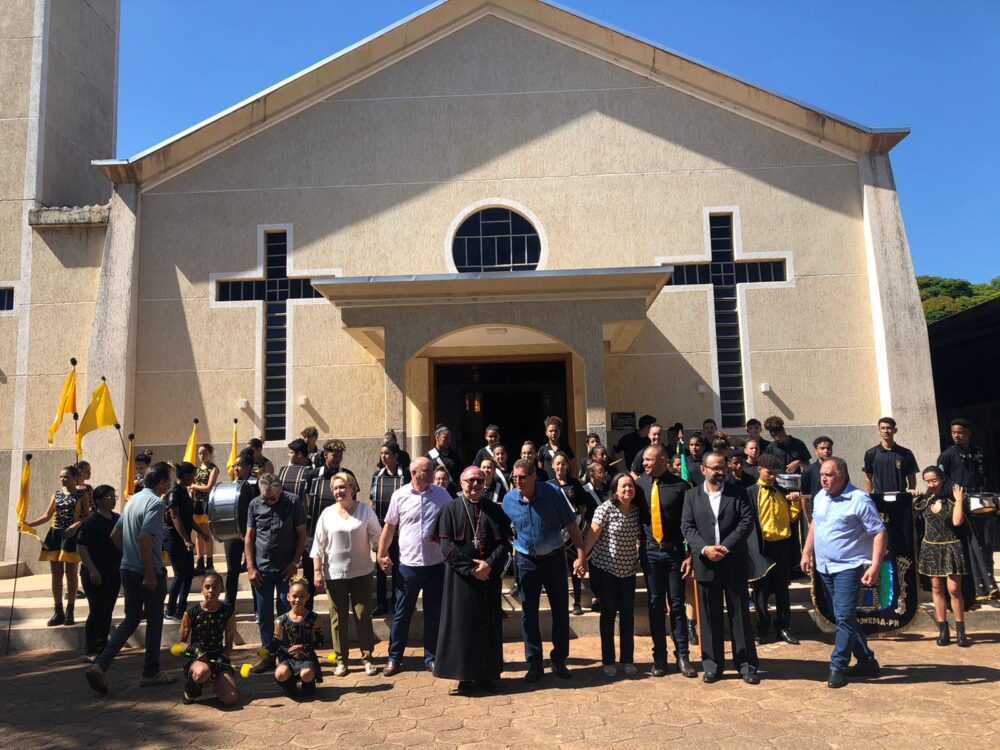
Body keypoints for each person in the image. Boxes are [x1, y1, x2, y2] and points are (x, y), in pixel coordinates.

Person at [86, 462, 177, 694]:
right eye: (169, 479)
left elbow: (116, 534)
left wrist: (128, 555)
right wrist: (148, 571)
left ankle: (100, 665)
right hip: (148, 571)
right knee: (155, 620)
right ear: (161, 482)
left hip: (127, 568)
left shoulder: (133, 500)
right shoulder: (156, 503)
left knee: (131, 619)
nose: (171, 483)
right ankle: (151, 672)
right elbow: (146, 538)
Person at [800, 457, 887, 688]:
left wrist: (875, 566)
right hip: (824, 567)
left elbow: (879, 532)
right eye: (822, 475)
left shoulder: (859, 500)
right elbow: (815, 525)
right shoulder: (820, 497)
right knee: (843, 616)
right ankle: (867, 661)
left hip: (849, 567)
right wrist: (806, 552)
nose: (823, 479)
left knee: (844, 616)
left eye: (828, 475)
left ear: (842, 475)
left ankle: (837, 666)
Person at [503, 458, 587, 683]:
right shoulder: (508, 500)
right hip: (526, 562)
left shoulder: (553, 493)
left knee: (560, 610)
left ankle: (559, 660)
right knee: (528, 613)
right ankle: (534, 663)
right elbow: (504, 529)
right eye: (515, 478)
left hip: (554, 560)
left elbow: (571, 524)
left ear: (533, 477)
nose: (517, 482)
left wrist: (581, 555)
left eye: (522, 478)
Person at [680, 452, 760, 685]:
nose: (720, 472)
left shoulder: (739, 493)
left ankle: (746, 665)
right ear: (703, 470)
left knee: (740, 616)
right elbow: (687, 526)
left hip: (733, 561)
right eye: (715, 468)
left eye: (722, 467)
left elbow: (746, 522)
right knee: (708, 616)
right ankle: (713, 665)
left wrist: (724, 548)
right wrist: (705, 549)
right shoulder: (691, 496)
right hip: (705, 563)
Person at [432, 465, 512, 694]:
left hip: (489, 578)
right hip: (461, 581)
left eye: (479, 480)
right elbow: (446, 547)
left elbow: (504, 543)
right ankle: (464, 677)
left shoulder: (495, 510)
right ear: (461, 483)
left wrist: (489, 565)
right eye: (470, 481)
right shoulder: (449, 509)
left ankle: (487, 675)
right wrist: (471, 569)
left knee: (488, 625)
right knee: (463, 627)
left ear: (485, 483)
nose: (475, 485)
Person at [377, 457, 452, 676]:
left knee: (433, 613)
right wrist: (381, 554)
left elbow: (453, 521)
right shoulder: (399, 496)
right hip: (408, 566)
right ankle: (394, 658)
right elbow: (389, 528)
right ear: (414, 473)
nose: (431, 474)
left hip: (435, 564)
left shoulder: (441, 494)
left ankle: (432, 657)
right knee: (402, 613)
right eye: (427, 470)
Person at [311, 472, 381, 676]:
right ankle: (341, 660)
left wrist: (382, 555)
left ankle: (367, 658)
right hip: (335, 574)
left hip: (362, 572)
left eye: (342, 487)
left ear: (352, 488)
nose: (339, 491)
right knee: (338, 618)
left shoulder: (365, 511)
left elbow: (377, 537)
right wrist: (317, 571)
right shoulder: (327, 514)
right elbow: (318, 545)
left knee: (362, 615)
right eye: (335, 488)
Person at [636, 444, 696, 678]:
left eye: (649, 460)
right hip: (650, 553)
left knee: (677, 604)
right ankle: (659, 657)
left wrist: (690, 553)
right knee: (654, 604)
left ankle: (682, 656)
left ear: (663, 461)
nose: (645, 464)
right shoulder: (639, 485)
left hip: (674, 554)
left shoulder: (681, 487)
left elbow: (689, 523)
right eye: (644, 461)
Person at [914, 467, 986, 647]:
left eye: (934, 480)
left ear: (942, 479)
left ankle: (960, 629)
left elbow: (956, 521)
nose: (931, 484)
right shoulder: (925, 500)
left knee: (954, 589)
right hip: (930, 548)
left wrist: (960, 500)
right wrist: (912, 495)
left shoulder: (952, 498)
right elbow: (914, 513)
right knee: (936, 588)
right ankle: (943, 629)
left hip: (951, 548)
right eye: (927, 481)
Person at [582, 472, 642, 678]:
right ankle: (608, 660)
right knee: (608, 614)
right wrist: (582, 558)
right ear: (615, 490)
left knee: (627, 615)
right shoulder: (604, 509)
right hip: (605, 569)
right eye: (623, 486)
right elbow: (592, 535)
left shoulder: (636, 511)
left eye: (631, 486)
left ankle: (627, 660)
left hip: (628, 571)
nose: (627, 489)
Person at [246, 473, 307, 673]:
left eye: (273, 497)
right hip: (262, 570)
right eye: (266, 499)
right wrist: (250, 567)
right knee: (263, 615)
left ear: (280, 489)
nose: (269, 502)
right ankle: (266, 655)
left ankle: (284, 656)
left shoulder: (293, 502)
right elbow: (249, 537)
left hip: (285, 570)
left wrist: (295, 562)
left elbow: (301, 534)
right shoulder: (254, 504)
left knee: (284, 614)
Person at [747, 454, 802, 645]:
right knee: (760, 591)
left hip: (780, 546)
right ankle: (761, 630)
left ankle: (783, 628)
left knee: (782, 589)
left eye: (775, 474)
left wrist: (795, 503)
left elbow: (791, 518)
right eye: (769, 473)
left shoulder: (780, 491)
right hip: (761, 547)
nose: (772, 477)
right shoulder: (750, 493)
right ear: (759, 470)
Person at [937, 418, 995, 593]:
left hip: (981, 503)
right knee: (971, 545)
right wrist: (955, 497)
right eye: (953, 432)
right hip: (960, 505)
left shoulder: (979, 453)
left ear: (969, 433)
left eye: (960, 432)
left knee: (986, 542)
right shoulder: (947, 455)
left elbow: (988, 475)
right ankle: (979, 588)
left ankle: (988, 584)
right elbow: (942, 479)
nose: (956, 435)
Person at [29, 465, 90, 626]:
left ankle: (70, 611)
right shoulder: (56, 494)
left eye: (66, 477)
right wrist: (28, 524)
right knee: (56, 574)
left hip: (71, 535)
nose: (63, 479)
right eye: (61, 477)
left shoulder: (81, 495)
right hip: (55, 535)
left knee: (71, 573)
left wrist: (75, 526)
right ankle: (58, 611)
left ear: (74, 478)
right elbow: (47, 515)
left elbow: (87, 517)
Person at [177, 571, 238, 706]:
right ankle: (192, 688)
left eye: (215, 587)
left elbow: (228, 646)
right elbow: (180, 643)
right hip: (197, 658)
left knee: (231, 699)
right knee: (202, 672)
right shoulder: (191, 613)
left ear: (221, 588)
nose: (211, 590)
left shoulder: (227, 612)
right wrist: (195, 651)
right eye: (208, 587)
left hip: (217, 657)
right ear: (202, 589)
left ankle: (215, 682)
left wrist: (222, 658)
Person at [76, 485, 122, 662]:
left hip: (113, 571)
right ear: (98, 500)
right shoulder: (92, 521)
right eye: (108, 497)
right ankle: (91, 649)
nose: (112, 499)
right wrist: (92, 569)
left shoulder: (117, 519)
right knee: (97, 610)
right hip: (95, 573)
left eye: (113, 496)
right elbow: (82, 547)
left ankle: (104, 645)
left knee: (108, 608)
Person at [549, 451, 594, 616]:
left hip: (573, 531)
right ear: (553, 465)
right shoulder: (548, 485)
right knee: (559, 569)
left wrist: (578, 524)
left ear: (568, 466)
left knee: (575, 566)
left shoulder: (575, 484)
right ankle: (561, 602)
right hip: (556, 533)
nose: (561, 466)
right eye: (558, 463)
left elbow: (582, 505)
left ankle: (577, 602)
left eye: (563, 463)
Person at [164, 462, 210, 621]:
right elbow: (175, 517)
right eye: (192, 475)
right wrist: (185, 539)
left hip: (185, 539)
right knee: (180, 574)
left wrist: (202, 533)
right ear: (184, 476)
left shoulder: (184, 492)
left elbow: (188, 519)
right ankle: (170, 610)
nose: (194, 478)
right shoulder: (173, 493)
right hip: (174, 539)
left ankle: (181, 608)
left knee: (189, 574)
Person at [370, 441, 410, 617]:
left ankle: (397, 601)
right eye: (382, 453)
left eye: (387, 453)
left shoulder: (406, 475)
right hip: (381, 529)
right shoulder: (376, 476)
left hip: (401, 530)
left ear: (396, 456)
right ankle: (381, 604)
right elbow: (372, 501)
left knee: (398, 567)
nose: (384, 456)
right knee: (381, 567)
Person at [273, 578, 325, 697]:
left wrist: (303, 647)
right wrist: (288, 650)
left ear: (307, 597)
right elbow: (276, 644)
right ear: (288, 597)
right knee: (281, 674)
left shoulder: (314, 618)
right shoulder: (280, 621)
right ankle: (289, 684)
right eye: (294, 596)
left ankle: (308, 684)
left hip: (307, 657)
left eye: (302, 596)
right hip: (288, 657)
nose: (297, 600)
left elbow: (320, 642)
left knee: (306, 674)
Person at [224, 450, 256, 609]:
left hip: (252, 535)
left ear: (249, 467)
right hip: (233, 535)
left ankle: (258, 607)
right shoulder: (231, 486)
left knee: (253, 570)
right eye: (234, 466)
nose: (236, 469)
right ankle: (229, 607)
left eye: (239, 465)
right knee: (232, 571)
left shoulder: (256, 485)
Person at [863, 418, 918, 497]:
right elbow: (868, 478)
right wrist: (869, 497)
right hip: (880, 499)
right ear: (878, 430)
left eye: (889, 428)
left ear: (895, 430)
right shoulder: (870, 453)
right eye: (882, 428)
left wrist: (910, 494)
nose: (885, 431)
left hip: (901, 498)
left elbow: (912, 477)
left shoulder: (906, 453)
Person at [190, 444, 220, 575]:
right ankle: (200, 561)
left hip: (207, 502)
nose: (202, 456)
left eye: (205, 453)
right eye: (200, 453)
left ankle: (210, 561)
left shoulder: (213, 469)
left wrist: (193, 486)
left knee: (207, 532)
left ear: (210, 454)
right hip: (197, 503)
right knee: (198, 533)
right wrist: (191, 490)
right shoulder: (196, 469)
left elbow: (209, 487)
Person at [427, 425, 462, 493]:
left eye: (450, 438)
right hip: (435, 491)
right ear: (437, 437)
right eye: (445, 438)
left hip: (452, 492)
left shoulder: (454, 456)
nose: (448, 441)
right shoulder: (429, 456)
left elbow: (459, 474)